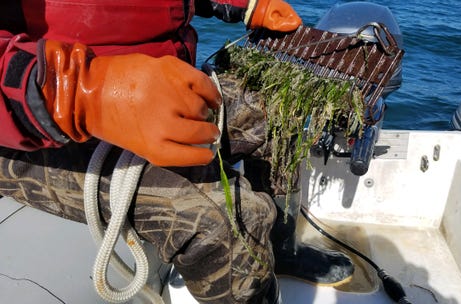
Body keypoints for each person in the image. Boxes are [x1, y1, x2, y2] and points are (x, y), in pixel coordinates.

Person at [0, 1, 353, 303]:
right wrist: (81, 96)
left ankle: (282, 249)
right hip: (35, 126)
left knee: (279, 112)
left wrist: (246, 4)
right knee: (217, 216)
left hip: (159, 91)